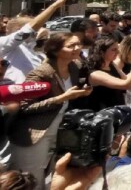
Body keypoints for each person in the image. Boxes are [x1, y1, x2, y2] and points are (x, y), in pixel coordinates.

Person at [8, 33, 93, 188]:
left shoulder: (75, 67)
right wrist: (61, 98)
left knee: (53, 174)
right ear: (55, 50)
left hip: (59, 129)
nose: (77, 48)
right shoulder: (41, 73)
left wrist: (81, 93)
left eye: (78, 44)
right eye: (70, 46)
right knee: (31, 178)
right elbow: (25, 106)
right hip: (35, 133)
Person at [0, 0, 74, 84]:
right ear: (19, 30)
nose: (37, 31)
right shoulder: (4, 44)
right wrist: (55, 5)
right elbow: (29, 29)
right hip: (13, 95)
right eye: (36, 29)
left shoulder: (36, 53)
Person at [86, 37, 131, 111]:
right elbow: (127, 84)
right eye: (113, 50)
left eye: (117, 49)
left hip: (118, 111)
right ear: (101, 52)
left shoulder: (111, 64)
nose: (118, 52)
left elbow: (126, 78)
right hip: (104, 115)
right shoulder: (95, 74)